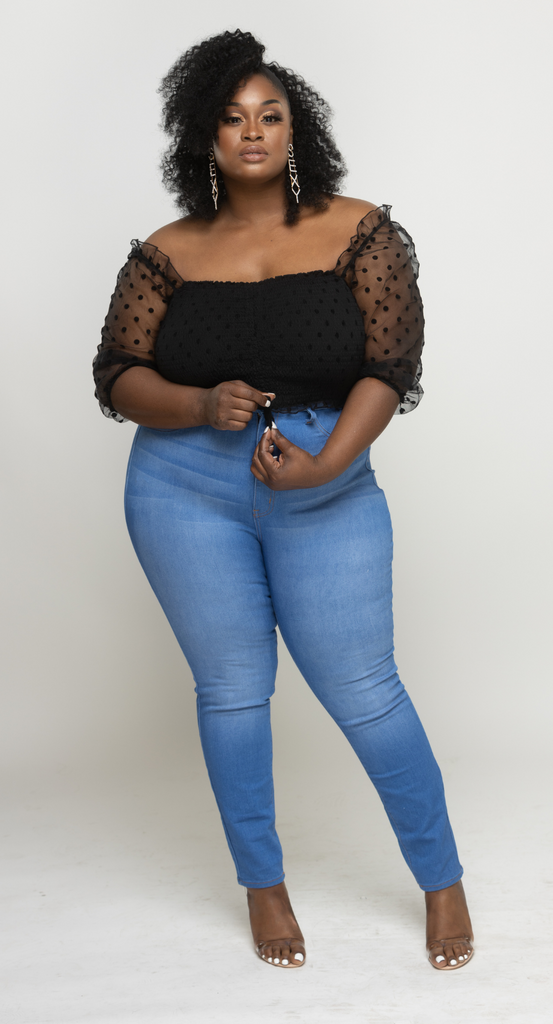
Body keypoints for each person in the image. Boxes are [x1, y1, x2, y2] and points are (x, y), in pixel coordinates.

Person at [93, 29, 474, 971]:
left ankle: (441, 881)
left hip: (324, 480)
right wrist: (197, 405)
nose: (253, 131)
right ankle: (263, 886)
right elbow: (117, 373)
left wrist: (329, 462)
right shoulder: (167, 252)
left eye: (270, 115)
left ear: (297, 130)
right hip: (181, 487)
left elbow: (390, 363)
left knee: (365, 691)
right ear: (205, 136)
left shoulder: (359, 230)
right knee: (232, 692)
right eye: (232, 118)